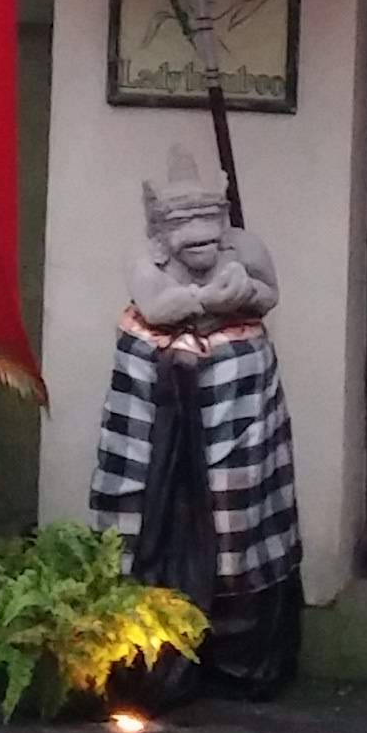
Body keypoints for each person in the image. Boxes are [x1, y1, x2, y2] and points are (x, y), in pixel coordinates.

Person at [91, 148, 303, 702]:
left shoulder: (245, 248)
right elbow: (157, 306)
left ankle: (241, 639)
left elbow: (269, 293)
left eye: (207, 220)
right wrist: (209, 296)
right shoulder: (145, 256)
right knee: (139, 492)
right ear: (162, 232)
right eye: (184, 224)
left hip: (234, 384)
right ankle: (151, 623)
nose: (199, 238)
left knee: (238, 494)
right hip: (155, 381)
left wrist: (247, 292)